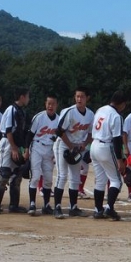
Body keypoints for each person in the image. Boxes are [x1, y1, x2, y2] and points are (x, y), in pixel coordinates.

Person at [52, 87, 94, 219]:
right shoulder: (69, 112)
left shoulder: (90, 114)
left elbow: (91, 134)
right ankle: (57, 207)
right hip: (63, 145)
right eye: (77, 96)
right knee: (62, 176)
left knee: (75, 178)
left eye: (82, 96)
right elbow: (59, 131)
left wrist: (84, 145)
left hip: (77, 147)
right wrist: (71, 146)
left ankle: (73, 207)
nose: (79, 99)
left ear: (87, 98)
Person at [0, 87, 30, 214]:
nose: (28, 99)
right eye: (27, 96)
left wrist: (21, 147)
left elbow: (20, 132)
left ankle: (14, 205)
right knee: (4, 174)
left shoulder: (21, 111)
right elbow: (8, 130)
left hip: (15, 145)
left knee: (17, 175)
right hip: (7, 143)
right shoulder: (11, 109)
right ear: (22, 97)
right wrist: (13, 148)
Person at [91, 91, 127, 220]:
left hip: (94, 145)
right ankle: (109, 209)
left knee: (100, 180)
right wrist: (120, 160)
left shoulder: (100, 109)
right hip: (106, 147)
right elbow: (117, 140)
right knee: (116, 180)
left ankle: (98, 210)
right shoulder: (116, 116)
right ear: (121, 104)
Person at [26, 94, 59, 215]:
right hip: (37, 147)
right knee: (35, 176)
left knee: (48, 179)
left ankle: (46, 204)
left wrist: (56, 153)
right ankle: (32, 204)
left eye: (53, 104)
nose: (50, 106)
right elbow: (30, 134)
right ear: (45, 104)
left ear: (57, 105)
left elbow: (59, 138)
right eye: (49, 103)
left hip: (50, 150)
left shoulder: (59, 119)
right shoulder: (39, 117)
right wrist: (26, 150)